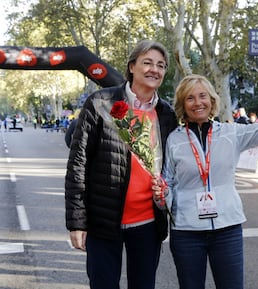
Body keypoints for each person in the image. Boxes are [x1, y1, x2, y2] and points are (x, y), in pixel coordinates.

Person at [152, 61, 258, 289]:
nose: (197, 103)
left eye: (202, 96)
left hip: (227, 229)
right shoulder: (174, 139)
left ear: (212, 100)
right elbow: (168, 183)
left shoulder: (231, 133)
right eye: (190, 98)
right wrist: (162, 196)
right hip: (186, 232)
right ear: (183, 104)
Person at [65, 39, 177, 289]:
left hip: (148, 223)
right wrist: (76, 222)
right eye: (147, 62)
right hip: (103, 221)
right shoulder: (100, 103)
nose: (154, 70)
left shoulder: (167, 114)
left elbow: (173, 167)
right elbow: (78, 164)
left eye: (161, 65)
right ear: (132, 67)